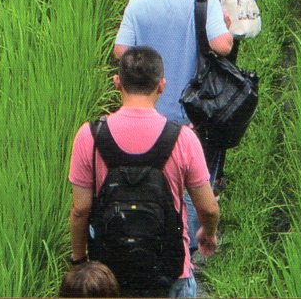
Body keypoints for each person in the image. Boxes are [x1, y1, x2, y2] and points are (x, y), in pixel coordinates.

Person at [114, 0, 234, 249]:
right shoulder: (204, 1)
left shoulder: (138, 2)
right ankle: (188, 248)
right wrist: (226, 24)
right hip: (192, 113)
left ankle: (144, 237)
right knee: (193, 180)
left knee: (149, 177)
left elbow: (121, 50)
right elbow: (222, 46)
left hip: (146, 107)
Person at [68, 47, 218, 299]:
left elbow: (80, 210)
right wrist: (208, 234)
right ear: (161, 85)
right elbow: (209, 209)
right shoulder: (183, 138)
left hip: (109, 276)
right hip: (168, 272)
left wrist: (80, 260)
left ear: (117, 83)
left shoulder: (89, 136)